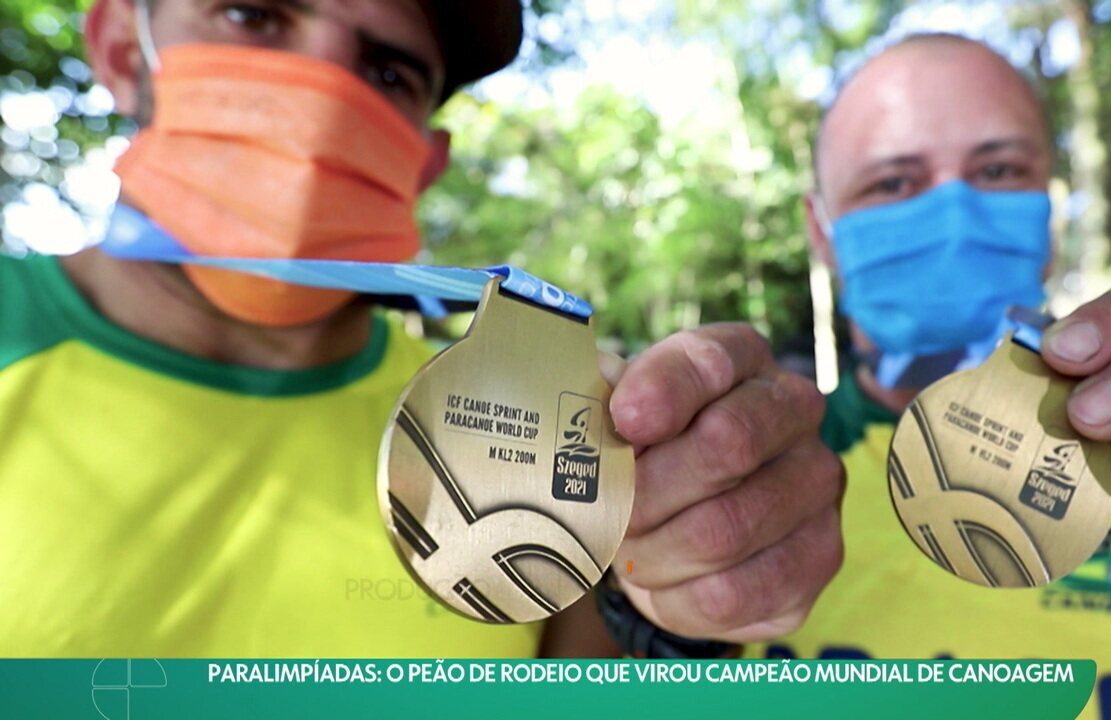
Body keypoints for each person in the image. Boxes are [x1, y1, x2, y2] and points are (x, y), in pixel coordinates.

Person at [0, 0, 845, 657]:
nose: (326, 97)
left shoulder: (521, 437)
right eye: (254, 14)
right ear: (119, 46)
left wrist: (680, 594)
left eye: (388, 71)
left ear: (425, 161)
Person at [756, 33, 1111, 719]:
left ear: (1051, 213)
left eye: (999, 171)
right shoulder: (743, 485)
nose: (955, 216)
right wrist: (650, 624)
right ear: (820, 229)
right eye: (892, 183)